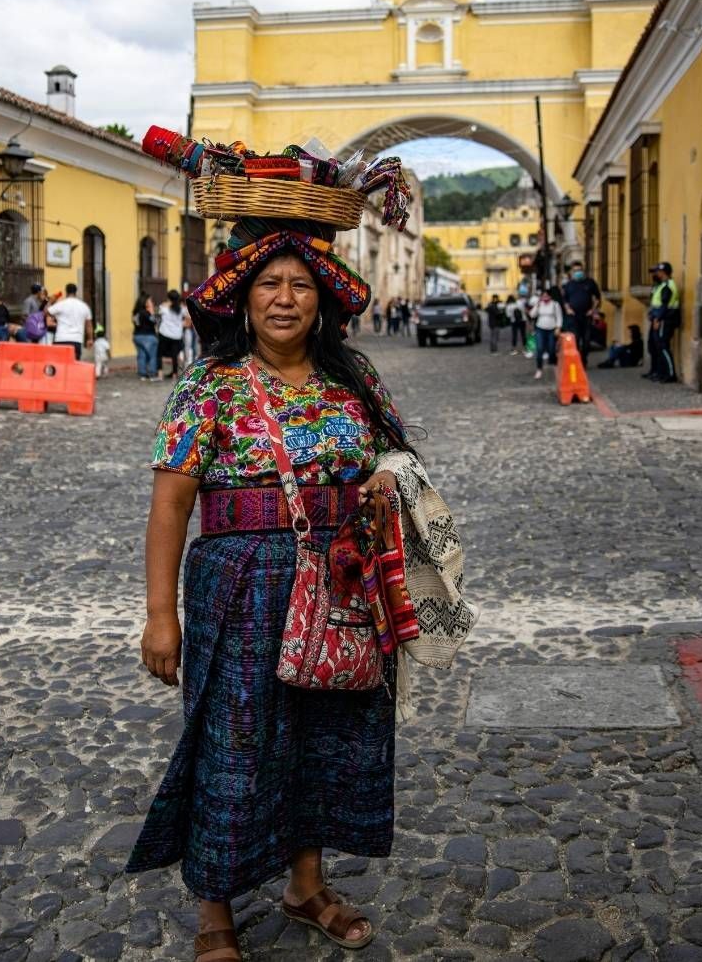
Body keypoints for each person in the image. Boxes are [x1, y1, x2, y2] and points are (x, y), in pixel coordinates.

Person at [128, 223, 414, 960]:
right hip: (240, 589)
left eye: (300, 285)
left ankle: (306, 886)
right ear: (244, 301)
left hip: (342, 583)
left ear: (321, 302)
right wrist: (162, 616)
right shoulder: (208, 385)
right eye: (269, 285)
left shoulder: (355, 380)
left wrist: (386, 473)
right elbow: (171, 504)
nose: (285, 299)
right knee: (233, 743)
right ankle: (214, 914)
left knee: (325, 740)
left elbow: (397, 454)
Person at [644, 261, 680, 383]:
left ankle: (670, 374)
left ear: (663, 272)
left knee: (663, 347)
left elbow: (664, 305)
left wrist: (658, 319)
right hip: (659, 318)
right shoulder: (661, 285)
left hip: (665, 320)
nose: (656, 274)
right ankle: (660, 373)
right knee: (657, 347)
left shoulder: (668, 286)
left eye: (658, 272)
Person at [560, 261, 602, 355]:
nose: (578, 272)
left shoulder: (590, 282)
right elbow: (564, 299)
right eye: (575, 271)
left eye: (579, 270)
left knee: (586, 339)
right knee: (576, 338)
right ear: (572, 272)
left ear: (583, 271)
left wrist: (593, 310)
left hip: (586, 315)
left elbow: (597, 297)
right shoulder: (569, 285)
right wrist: (568, 309)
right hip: (573, 316)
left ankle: (584, 357)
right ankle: (578, 358)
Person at [42, 283, 91, 360]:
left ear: (66, 292)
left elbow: (45, 312)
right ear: (76, 292)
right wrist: (90, 339)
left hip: (61, 340)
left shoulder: (61, 304)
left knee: (59, 366)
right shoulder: (84, 306)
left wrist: (50, 301)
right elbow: (89, 325)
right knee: (74, 366)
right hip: (76, 341)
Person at [530, 287, 563, 380]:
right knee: (539, 349)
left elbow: (559, 317)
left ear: (550, 296)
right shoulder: (539, 304)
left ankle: (555, 366)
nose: (545, 297)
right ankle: (539, 369)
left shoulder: (555, 305)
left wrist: (558, 327)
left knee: (552, 349)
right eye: (543, 295)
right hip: (540, 329)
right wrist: (537, 305)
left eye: (546, 295)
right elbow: (532, 315)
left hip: (551, 329)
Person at [156, 290, 187, 379]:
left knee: (159, 354)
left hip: (164, 334)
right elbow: (188, 318)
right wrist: (181, 324)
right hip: (176, 335)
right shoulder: (181, 309)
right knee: (174, 355)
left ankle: (160, 374)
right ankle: (174, 374)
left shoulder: (164, 307)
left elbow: (159, 315)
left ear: (169, 298)